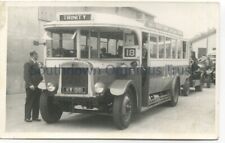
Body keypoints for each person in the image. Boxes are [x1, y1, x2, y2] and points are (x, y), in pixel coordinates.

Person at [24, 51, 43, 122]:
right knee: (29, 101)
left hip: (38, 85)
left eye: (37, 55)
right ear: (32, 55)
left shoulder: (37, 63)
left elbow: (40, 74)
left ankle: (35, 117)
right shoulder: (28, 63)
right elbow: (26, 75)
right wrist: (30, 84)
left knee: (37, 101)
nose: (37, 56)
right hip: (31, 86)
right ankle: (27, 117)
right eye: (36, 55)